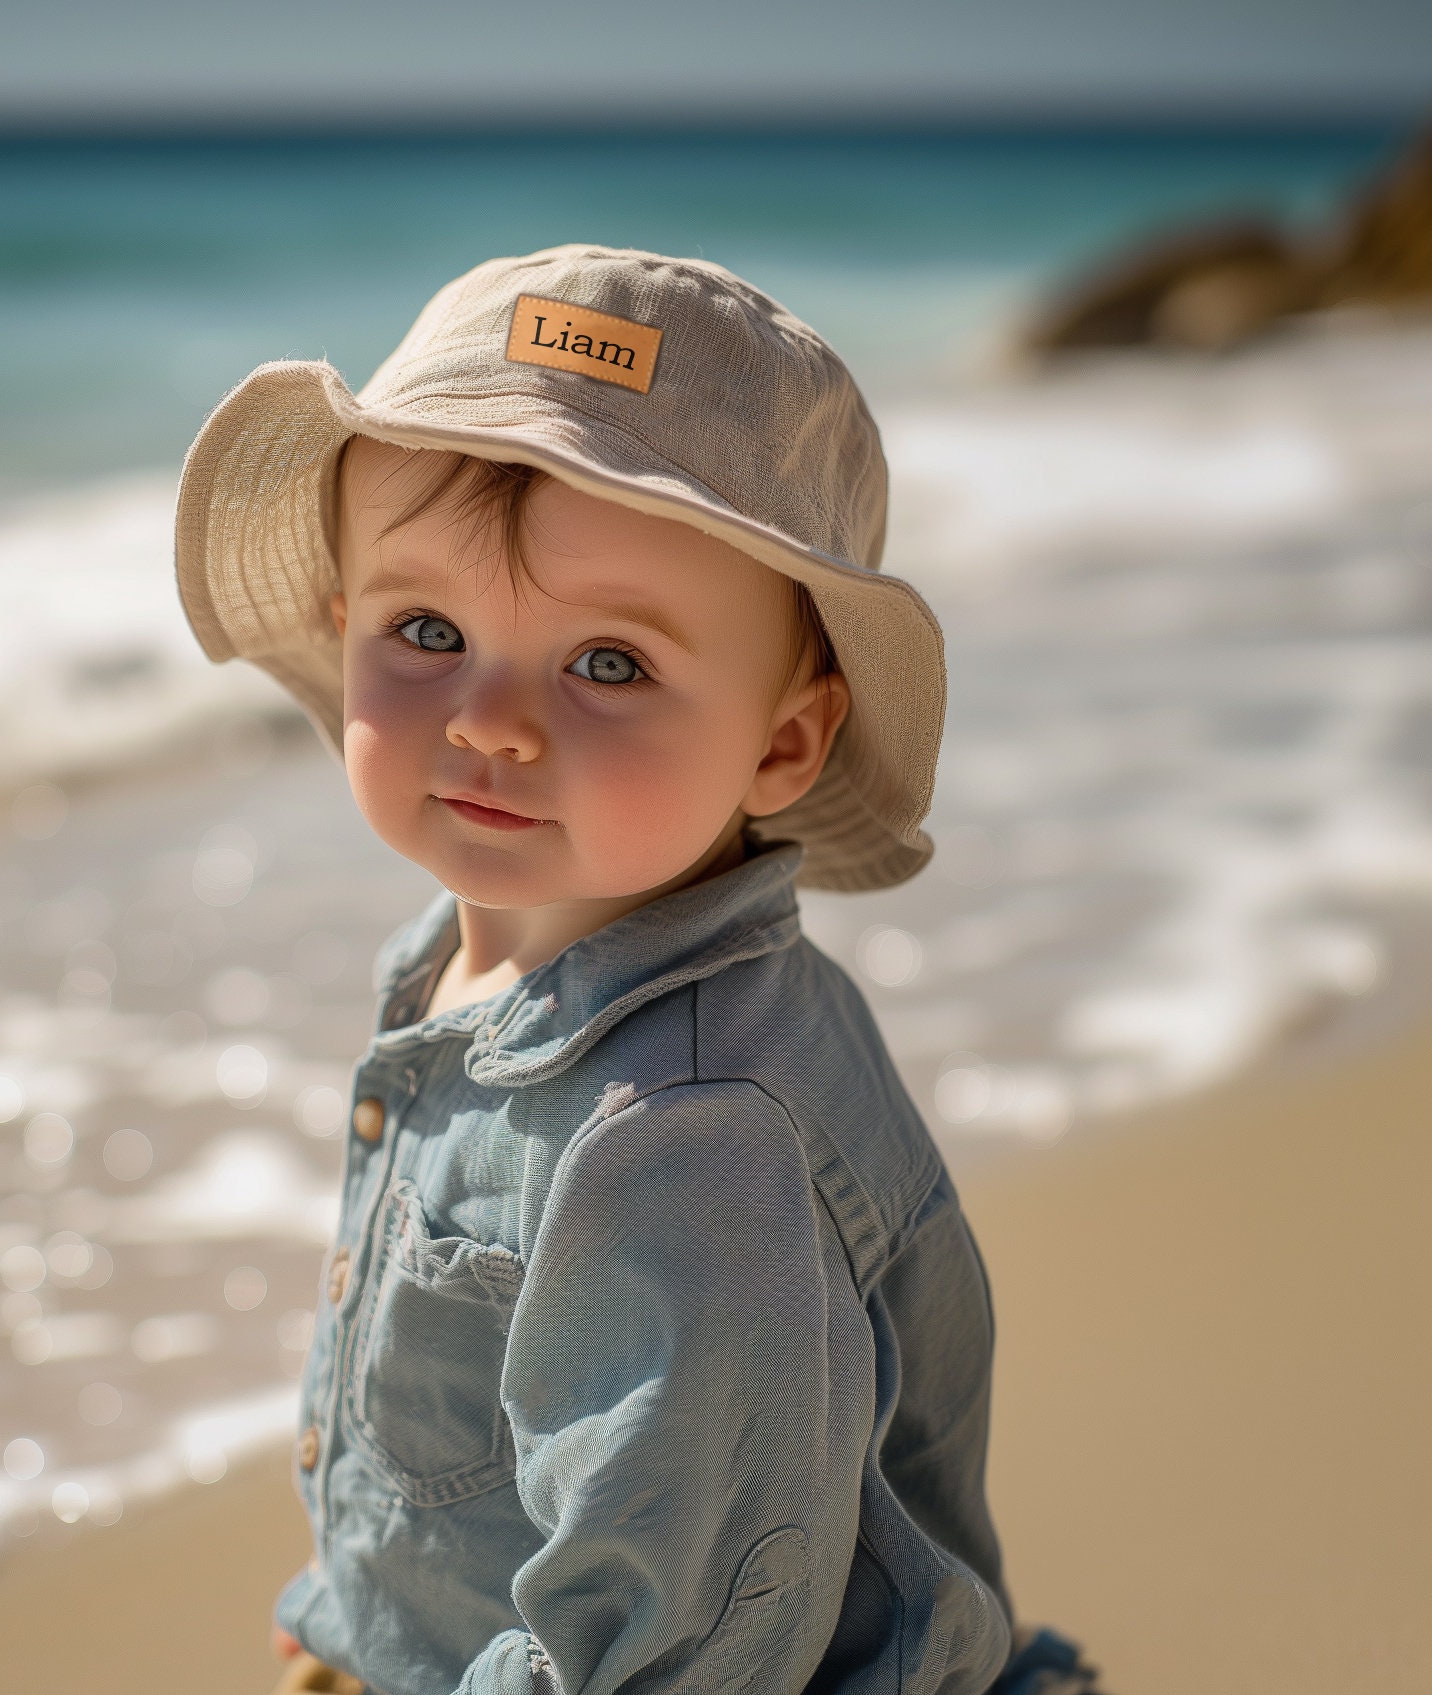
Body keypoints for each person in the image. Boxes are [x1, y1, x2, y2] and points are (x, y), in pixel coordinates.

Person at [174, 245, 1103, 1695]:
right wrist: (366, 1608)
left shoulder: (679, 1131)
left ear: (786, 742)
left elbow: (683, 1643)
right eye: (427, 630)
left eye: (606, 664)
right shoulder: (468, 968)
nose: (488, 723)